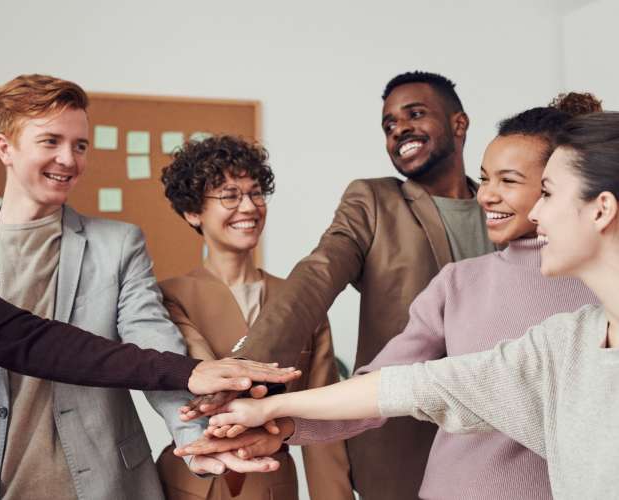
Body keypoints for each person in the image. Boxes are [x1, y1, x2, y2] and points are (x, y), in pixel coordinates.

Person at [0, 37, 298, 500]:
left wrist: (187, 392)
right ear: (5, 148)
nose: (68, 159)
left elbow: (36, 339)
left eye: (81, 145)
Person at [180, 110, 619, 500]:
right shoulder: (519, 315)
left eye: (519, 184)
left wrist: (270, 410)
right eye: (485, 179)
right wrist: (274, 415)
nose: (485, 195)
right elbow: (402, 384)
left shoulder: (583, 309)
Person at [183, 70, 495, 499]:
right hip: (402, 444)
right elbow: (316, 276)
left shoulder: (505, 210)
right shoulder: (374, 201)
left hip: (501, 439)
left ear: (458, 123)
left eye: (414, 114)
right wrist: (249, 366)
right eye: (388, 124)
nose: (399, 128)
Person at [155, 136, 353, 500]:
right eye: (229, 195)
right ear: (192, 212)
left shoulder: (300, 298)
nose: (248, 206)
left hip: (272, 483)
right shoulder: (167, 297)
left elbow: (324, 414)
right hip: (188, 484)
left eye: (256, 192)